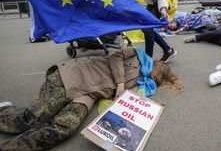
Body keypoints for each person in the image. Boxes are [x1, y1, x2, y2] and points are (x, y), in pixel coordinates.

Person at [0, 47, 183, 150]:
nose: (151, 81)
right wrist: (120, 84)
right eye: (155, 78)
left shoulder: (142, 82)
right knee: (30, 118)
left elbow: (128, 102)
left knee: (64, 128)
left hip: (89, 95)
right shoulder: (135, 53)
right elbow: (114, 57)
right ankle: (4, 112)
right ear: (156, 69)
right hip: (73, 76)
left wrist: (148, 106)